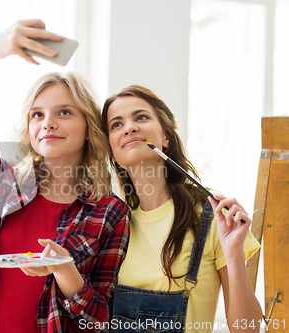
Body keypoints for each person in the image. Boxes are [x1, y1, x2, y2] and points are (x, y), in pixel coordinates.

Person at [0, 20, 130, 333]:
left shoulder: (109, 212)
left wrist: (66, 272)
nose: (48, 123)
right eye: (38, 114)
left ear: (88, 128)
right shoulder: (2, 186)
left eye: (64, 112)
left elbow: (100, 321)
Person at [101, 85, 262, 333]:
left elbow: (247, 329)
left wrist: (233, 253)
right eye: (116, 124)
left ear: (165, 137)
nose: (129, 127)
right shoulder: (114, 223)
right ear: (112, 150)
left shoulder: (213, 215)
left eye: (141, 117)